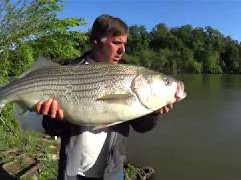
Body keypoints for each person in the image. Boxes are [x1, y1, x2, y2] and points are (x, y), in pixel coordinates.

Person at [35, 14, 173, 180]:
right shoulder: (68, 69)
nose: (122, 50)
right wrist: (56, 118)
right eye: (116, 43)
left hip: (112, 171)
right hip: (72, 170)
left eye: (124, 43)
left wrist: (154, 112)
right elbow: (49, 127)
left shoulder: (129, 75)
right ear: (95, 41)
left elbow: (141, 127)